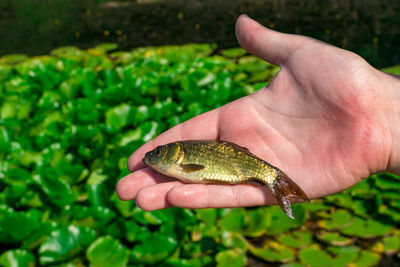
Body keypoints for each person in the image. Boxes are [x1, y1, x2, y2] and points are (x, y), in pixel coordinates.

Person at [116, 15, 400, 211]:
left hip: (242, 164)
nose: (152, 156)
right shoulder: (183, 158)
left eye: (157, 153)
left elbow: (197, 171)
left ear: (173, 155)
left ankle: (275, 182)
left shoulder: (182, 158)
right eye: (156, 154)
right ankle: (275, 183)